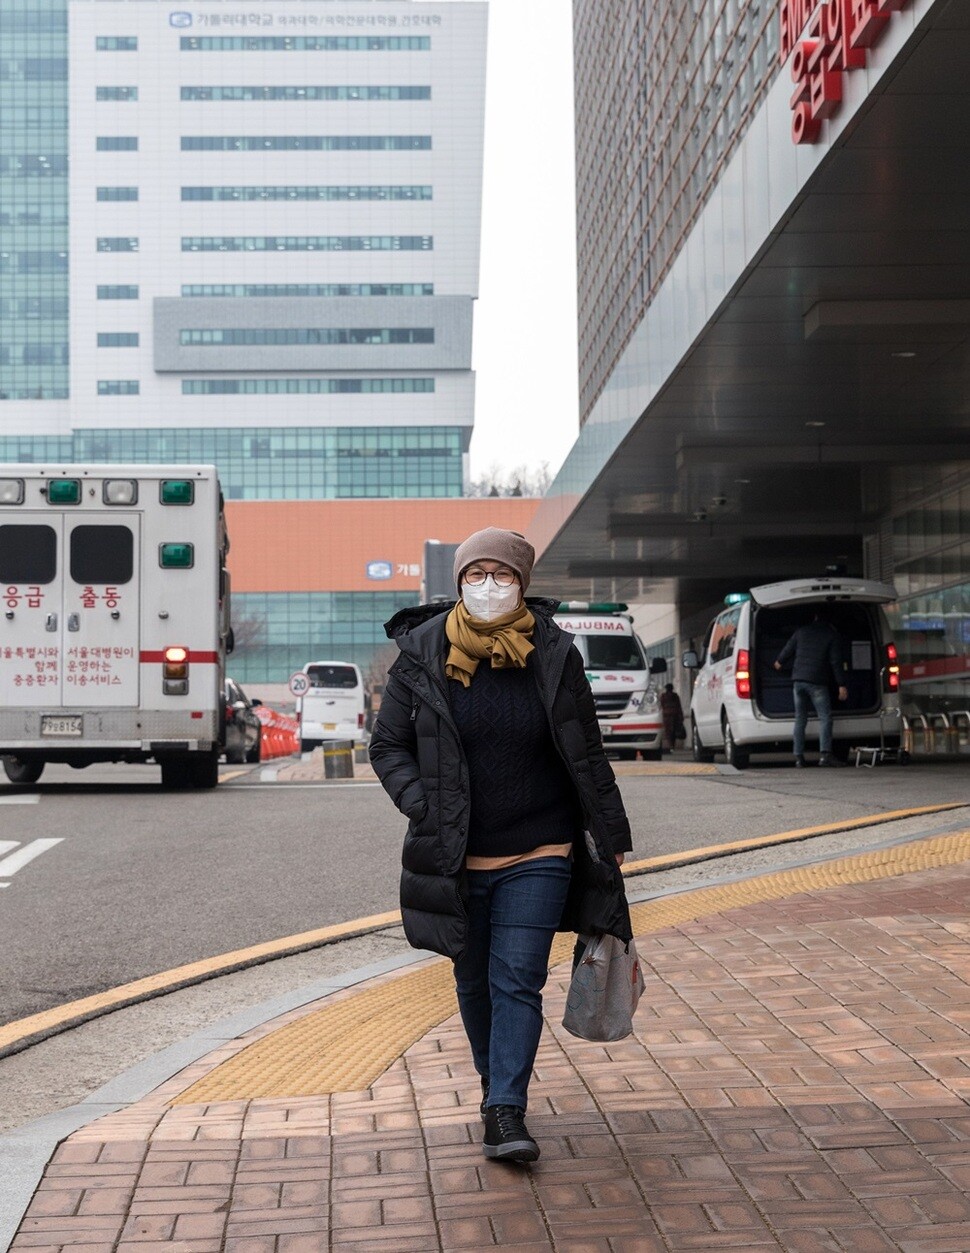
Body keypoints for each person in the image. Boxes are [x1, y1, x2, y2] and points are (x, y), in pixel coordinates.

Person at [369, 527, 633, 1164]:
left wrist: (611, 836)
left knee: (517, 978)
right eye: (475, 575)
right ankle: (496, 1087)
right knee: (473, 978)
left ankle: (505, 1108)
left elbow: (586, 751)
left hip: (540, 847)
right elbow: (388, 746)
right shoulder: (422, 653)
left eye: (502, 574)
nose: (489, 586)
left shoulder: (554, 653)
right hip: (456, 853)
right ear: (459, 583)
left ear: (523, 581)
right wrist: (421, 802)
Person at [773, 611, 848, 767]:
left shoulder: (801, 632)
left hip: (798, 681)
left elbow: (787, 650)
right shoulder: (831, 635)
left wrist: (779, 662)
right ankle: (825, 755)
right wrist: (841, 685)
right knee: (825, 718)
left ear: (815, 617)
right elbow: (835, 662)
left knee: (800, 719)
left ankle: (799, 757)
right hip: (816, 681)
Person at [659, 682, 685, 752]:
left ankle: (670, 745)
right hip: (674, 716)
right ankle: (672, 745)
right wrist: (681, 716)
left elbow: (661, 706)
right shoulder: (675, 696)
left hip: (666, 716)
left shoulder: (663, 696)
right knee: (673, 732)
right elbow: (679, 706)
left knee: (668, 732)